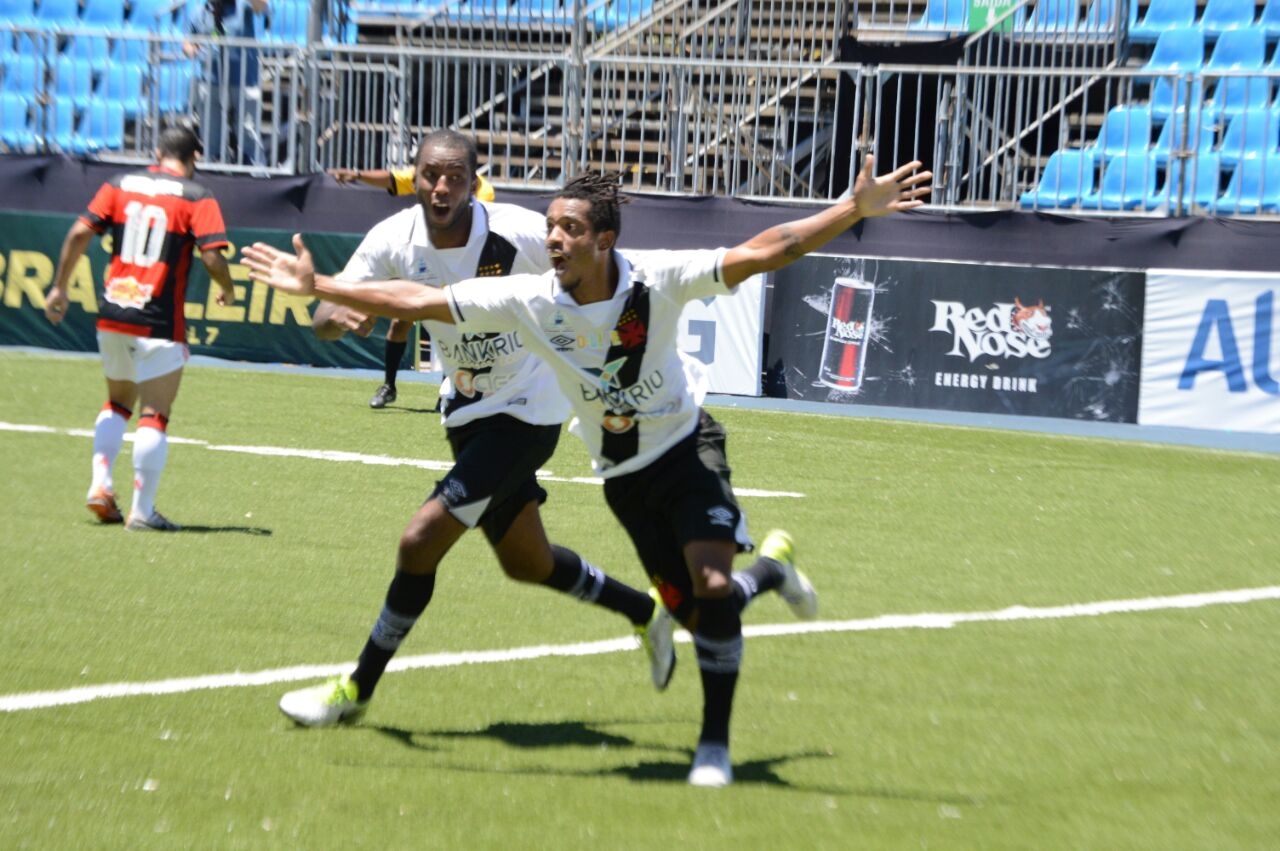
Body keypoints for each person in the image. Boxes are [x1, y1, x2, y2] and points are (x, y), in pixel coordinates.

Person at [243, 154, 931, 787]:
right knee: (687, 609)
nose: (554, 239)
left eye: (570, 228)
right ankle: (769, 572)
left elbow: (766, 249)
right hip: (622, 478)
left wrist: (852, 208)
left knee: (710, 583)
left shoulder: (657, 278)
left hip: (685, 447)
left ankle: (713, 746)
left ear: (605, 239)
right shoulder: (531, 297)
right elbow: (416, 303)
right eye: (552, 227)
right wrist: (320, 285)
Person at [274, 129, 678, 728]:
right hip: (465, 409)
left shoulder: (519, 232)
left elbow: (603, 271)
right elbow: (326, 317)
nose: (442, 188)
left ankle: (354, 691)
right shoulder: (392, 238)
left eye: (455, 177)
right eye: (431, 175)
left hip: (530, 409)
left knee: (419, 541)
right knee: (527, 562)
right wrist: (342, 316)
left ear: (473, 182)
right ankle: (645, 612)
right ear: (414, 177)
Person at [44, 125, 236, 532]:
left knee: (117, 402)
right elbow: (212, 257)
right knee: (155, 413)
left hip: (114, 311)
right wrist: (228, 287)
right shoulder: (197, 195)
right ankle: (143, 511)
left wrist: (59, 286)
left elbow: (79, 232)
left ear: (157, 152)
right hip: (159, 319)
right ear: (195, 157)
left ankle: (100, 484)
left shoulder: (118, 184)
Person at [326, 165, 497, 408]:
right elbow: (393, 179)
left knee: (456, 328)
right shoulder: (428, 177)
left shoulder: (484, 191)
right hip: (424, 259)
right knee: (400, 323)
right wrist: (358, 175)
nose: (441, 188)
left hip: (459, 266)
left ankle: (449, 387)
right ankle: (389, 385)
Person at [186, 0, 270, 167]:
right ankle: (213, 170)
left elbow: (263, 7)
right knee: (211, 135)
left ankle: (255, 172)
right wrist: (190, 49)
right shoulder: (199, 10)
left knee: (249, 134)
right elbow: (189, 41)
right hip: (211, 81)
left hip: (245, 81)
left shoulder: (243, 6)